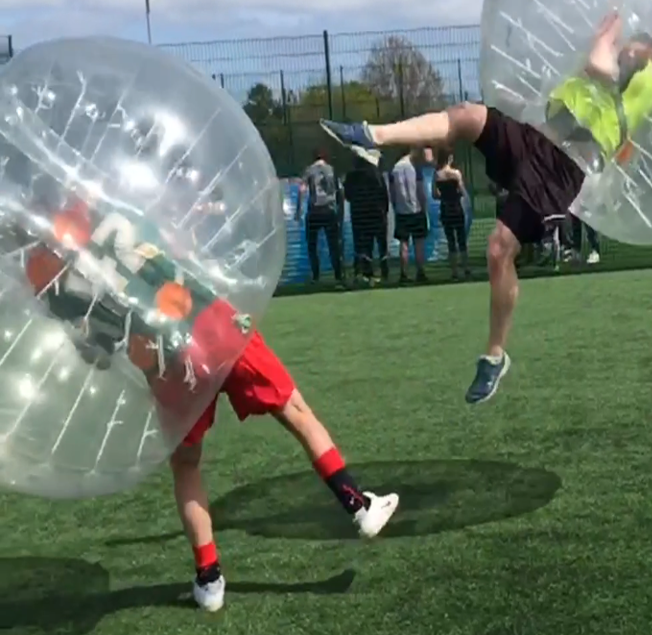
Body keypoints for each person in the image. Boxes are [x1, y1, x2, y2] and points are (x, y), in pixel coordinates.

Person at [19, 195, 400, 612]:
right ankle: (356, 505)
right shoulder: (93, 200)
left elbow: (97, 347)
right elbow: (175, 244)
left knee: (187, 465)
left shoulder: (39, 268)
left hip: (161, 358)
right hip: (210, 322)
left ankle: (210, 579)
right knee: (294, 410)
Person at [319, 8, 652, 403]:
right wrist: (609, 37)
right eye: (629, 47)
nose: (630, 52)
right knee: (464, 115)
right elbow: (599, 58)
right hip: (533, 139)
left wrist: (649, 54)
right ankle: (372, 135)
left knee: (498, 249)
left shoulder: (647, 84)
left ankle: (494, 356)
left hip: (560, 171)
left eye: (638, 49)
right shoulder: (602, 61)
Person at [295, 149, 344, 285]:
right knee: (333, 244)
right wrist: (340, 209)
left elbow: (302, 190)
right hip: (329, 210)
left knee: (312, 245)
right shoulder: (331, 169)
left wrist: (298, 210)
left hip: (314, 211)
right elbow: (340, 190)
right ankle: (338, 274)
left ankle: (316, 275)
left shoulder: (309, 171)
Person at [344, 149, 391, 286]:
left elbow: (348, 195)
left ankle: (365, 272)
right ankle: (384, 271)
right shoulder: (376, 174)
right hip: (377, 213)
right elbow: (384, 194)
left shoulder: (351, 176)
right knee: (381, 244)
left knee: (363, 245)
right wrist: (385, 210)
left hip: (359, 215)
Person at [389, 147, 431, 284]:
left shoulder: (394, 170)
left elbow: (393, 193)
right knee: (419, 242)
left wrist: (396, 207)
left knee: (404, 243)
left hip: (402, 211)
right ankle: (420, 272)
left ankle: (404, 273)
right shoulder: (414, 168)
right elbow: (420, 190)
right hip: (416, 209)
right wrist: (424, 207)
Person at [434, 151, 472, 281]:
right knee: (461, 240)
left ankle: (454, 271)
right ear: (450, 158)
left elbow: (435, 194)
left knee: (451, 241)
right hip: (456, 208)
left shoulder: (437, 175)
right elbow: (462, 190)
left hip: (445, 208)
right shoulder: (455, 174)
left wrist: (444, 195)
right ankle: (466, 268)